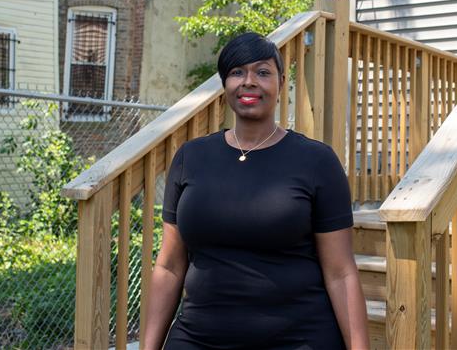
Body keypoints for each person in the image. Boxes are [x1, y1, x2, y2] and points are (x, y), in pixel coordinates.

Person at [141, 32, 369, 350]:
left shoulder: (316, 161)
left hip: (298, 339)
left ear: (280, 82)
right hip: (199, 337)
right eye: (237, 72)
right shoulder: (190, 158)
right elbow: (169, 265)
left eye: (262, 72)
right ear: (225, 86)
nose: (249, 82)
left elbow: (341, 272)